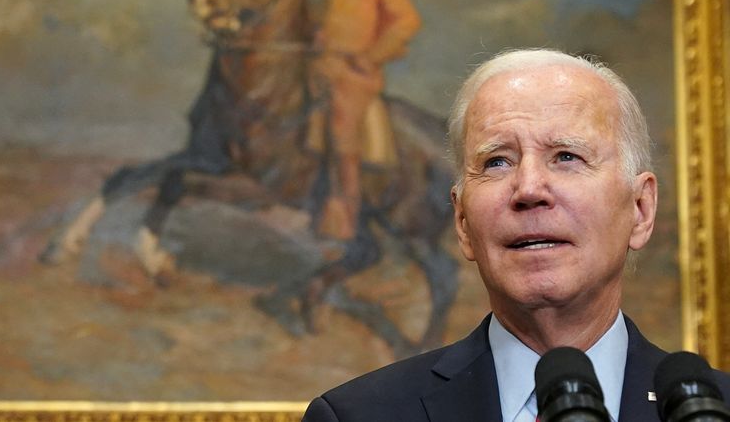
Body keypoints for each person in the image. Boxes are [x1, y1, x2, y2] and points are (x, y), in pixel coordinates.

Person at [301, 48, 730, 421]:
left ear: (640, 209)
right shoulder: (360, 415)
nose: (528, 189)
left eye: (566, 156)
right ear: (463, 223)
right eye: (497, 162)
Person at [308, 0, 421, 240]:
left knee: (342, 123)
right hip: (317, 66)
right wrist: (315, 36)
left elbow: (407, 22)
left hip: (355, 74)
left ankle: (346, 213)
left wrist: (373, 56)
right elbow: (313, 23)